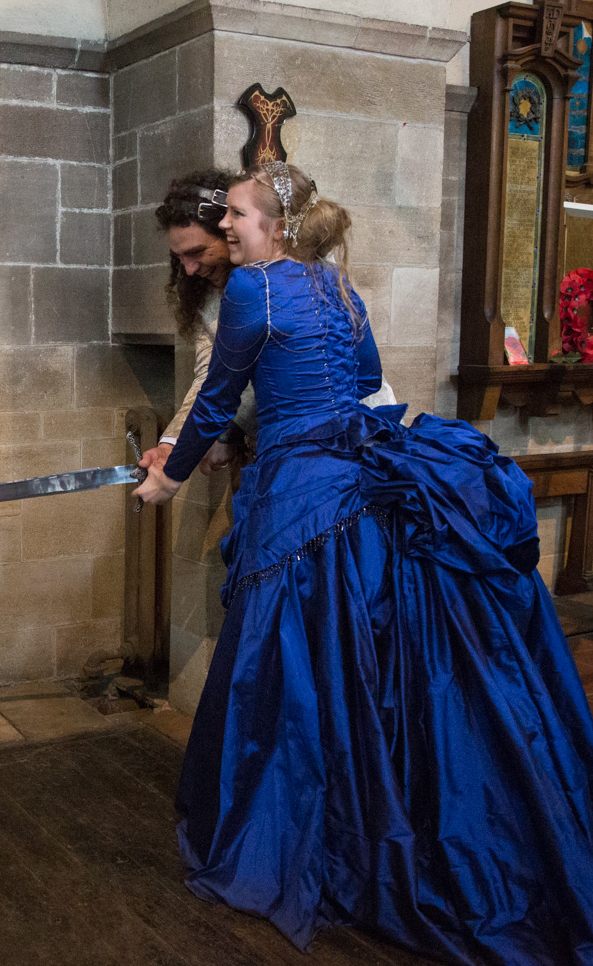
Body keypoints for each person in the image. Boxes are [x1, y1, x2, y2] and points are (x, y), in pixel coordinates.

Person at [133, 162, 593, 966]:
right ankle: (366, 818)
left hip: (297, 497)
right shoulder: (341, 291)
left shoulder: (255, 290)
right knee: (353, 668)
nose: (229, 226)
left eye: (237, 214)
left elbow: (215, 399)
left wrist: (168, 476)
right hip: (354, 484)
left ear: (274, 223)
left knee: (288, 668)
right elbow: (365, 383)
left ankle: (295, 831)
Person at [143, 171, 393, 478]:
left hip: (346, 438)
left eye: (197, 252)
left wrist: (225, 434)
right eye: (179, 257)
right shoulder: (212, 296)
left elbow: (339, 377)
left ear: (232, 232)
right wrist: (171, 444)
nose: (189, 269)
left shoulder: (297, 278)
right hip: (288, 448)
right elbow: (209, 375)